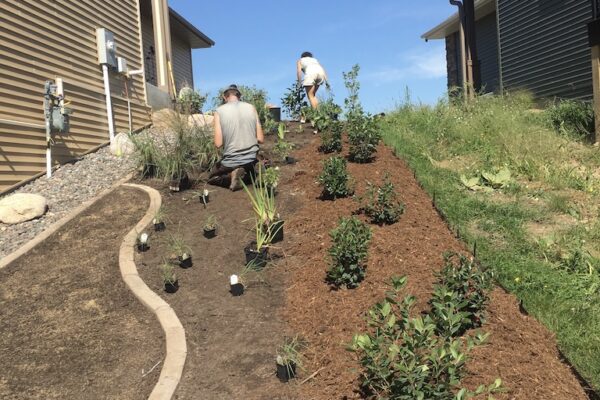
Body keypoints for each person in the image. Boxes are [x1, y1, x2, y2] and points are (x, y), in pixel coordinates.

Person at [208, 84, 264, 191]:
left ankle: (232, 176)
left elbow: (218, 143)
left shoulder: (219, 111)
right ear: (239, 96)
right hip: (251, 158)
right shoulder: (251, 108)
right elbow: (261, 139)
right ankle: (255, 173)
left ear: (225, 97)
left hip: (231, 161)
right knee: (255, 162)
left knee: (213, 178)